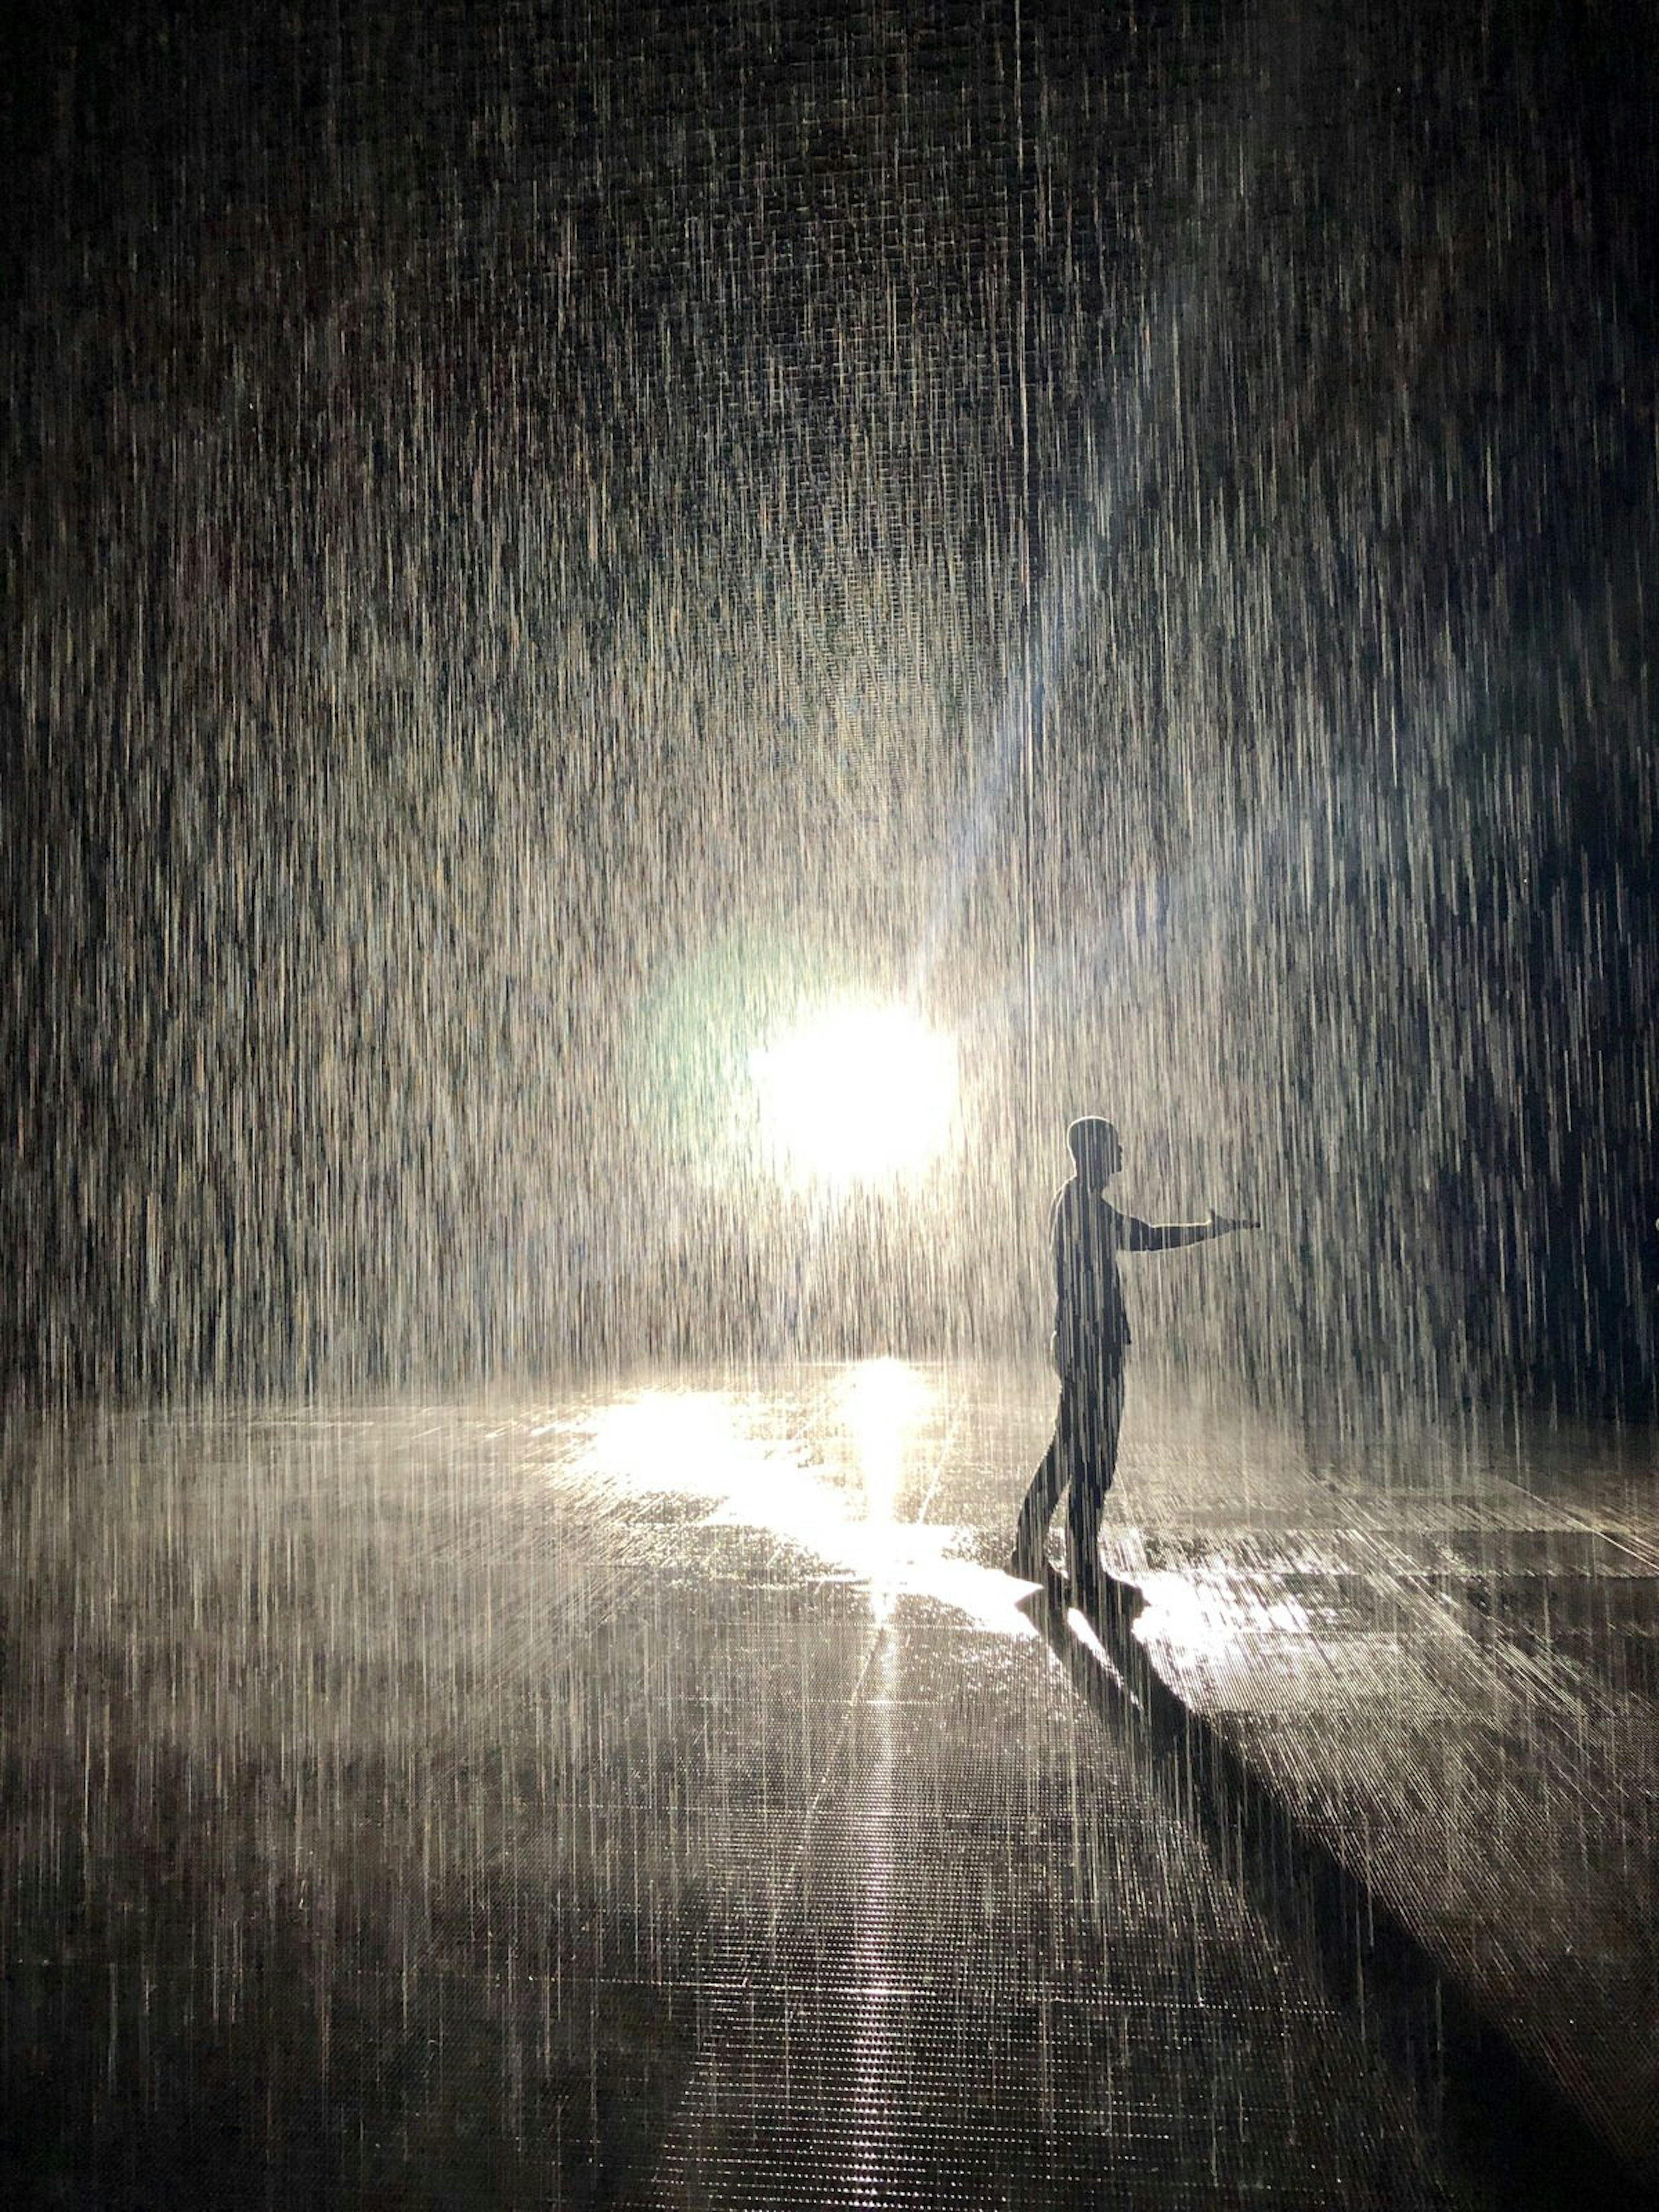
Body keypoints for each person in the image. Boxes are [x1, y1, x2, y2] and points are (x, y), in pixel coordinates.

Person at [1010, 1116, 1255, 1618]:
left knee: (1070, 1450)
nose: (1122, 1156)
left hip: (1083, 1342)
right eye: (1115, 1148)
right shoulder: (1085, 1207)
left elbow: (1132, 1238)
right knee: (1093, 1459)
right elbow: (1145, 1236)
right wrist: (1210, 1231)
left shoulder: (1075, 1200)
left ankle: (1035, 1550)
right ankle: (1078, 1565)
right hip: (1092, 1346)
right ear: (1094, 1153)